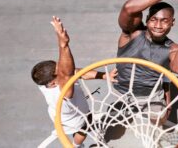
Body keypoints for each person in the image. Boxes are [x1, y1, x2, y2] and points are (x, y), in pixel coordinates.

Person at [31, 16, 117, 147]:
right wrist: (63, 44)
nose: (63, 68)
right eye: (59, 71)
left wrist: (104, 76)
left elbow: (75, 72)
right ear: (54, 83)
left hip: (58, 114)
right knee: (86, 123)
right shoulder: (64, 93)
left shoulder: (44, 81)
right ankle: (77, 145)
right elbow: (67, 74)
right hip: (74, 118)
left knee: (71, 74)